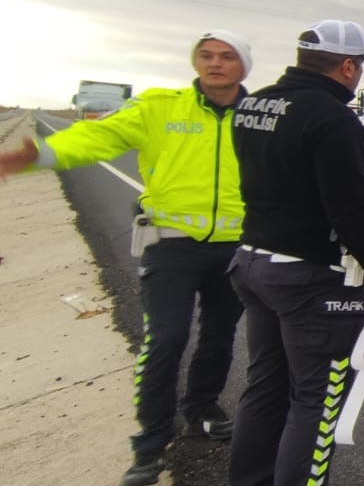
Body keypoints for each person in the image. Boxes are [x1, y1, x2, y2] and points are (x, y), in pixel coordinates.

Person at [0, 30, 254, 486]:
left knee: (219, 337)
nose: (215, 63)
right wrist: (41, 155)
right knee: (166, 339)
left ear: (243, 66)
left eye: (227, 56)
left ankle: (201, 409)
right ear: (195, 62)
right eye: (206, 55)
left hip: (234, 248)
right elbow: (99, 137)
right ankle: (151, 444)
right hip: (170, 244)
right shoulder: (161, 107)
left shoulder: (257, 118)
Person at [228, 19, 364, 486]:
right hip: (310, 281)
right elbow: (349, 208)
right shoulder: (332, 118)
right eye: (358, 69)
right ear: (348, 66)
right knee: (317, 401)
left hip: (253, 262)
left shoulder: (253, 105)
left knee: (265, 388)